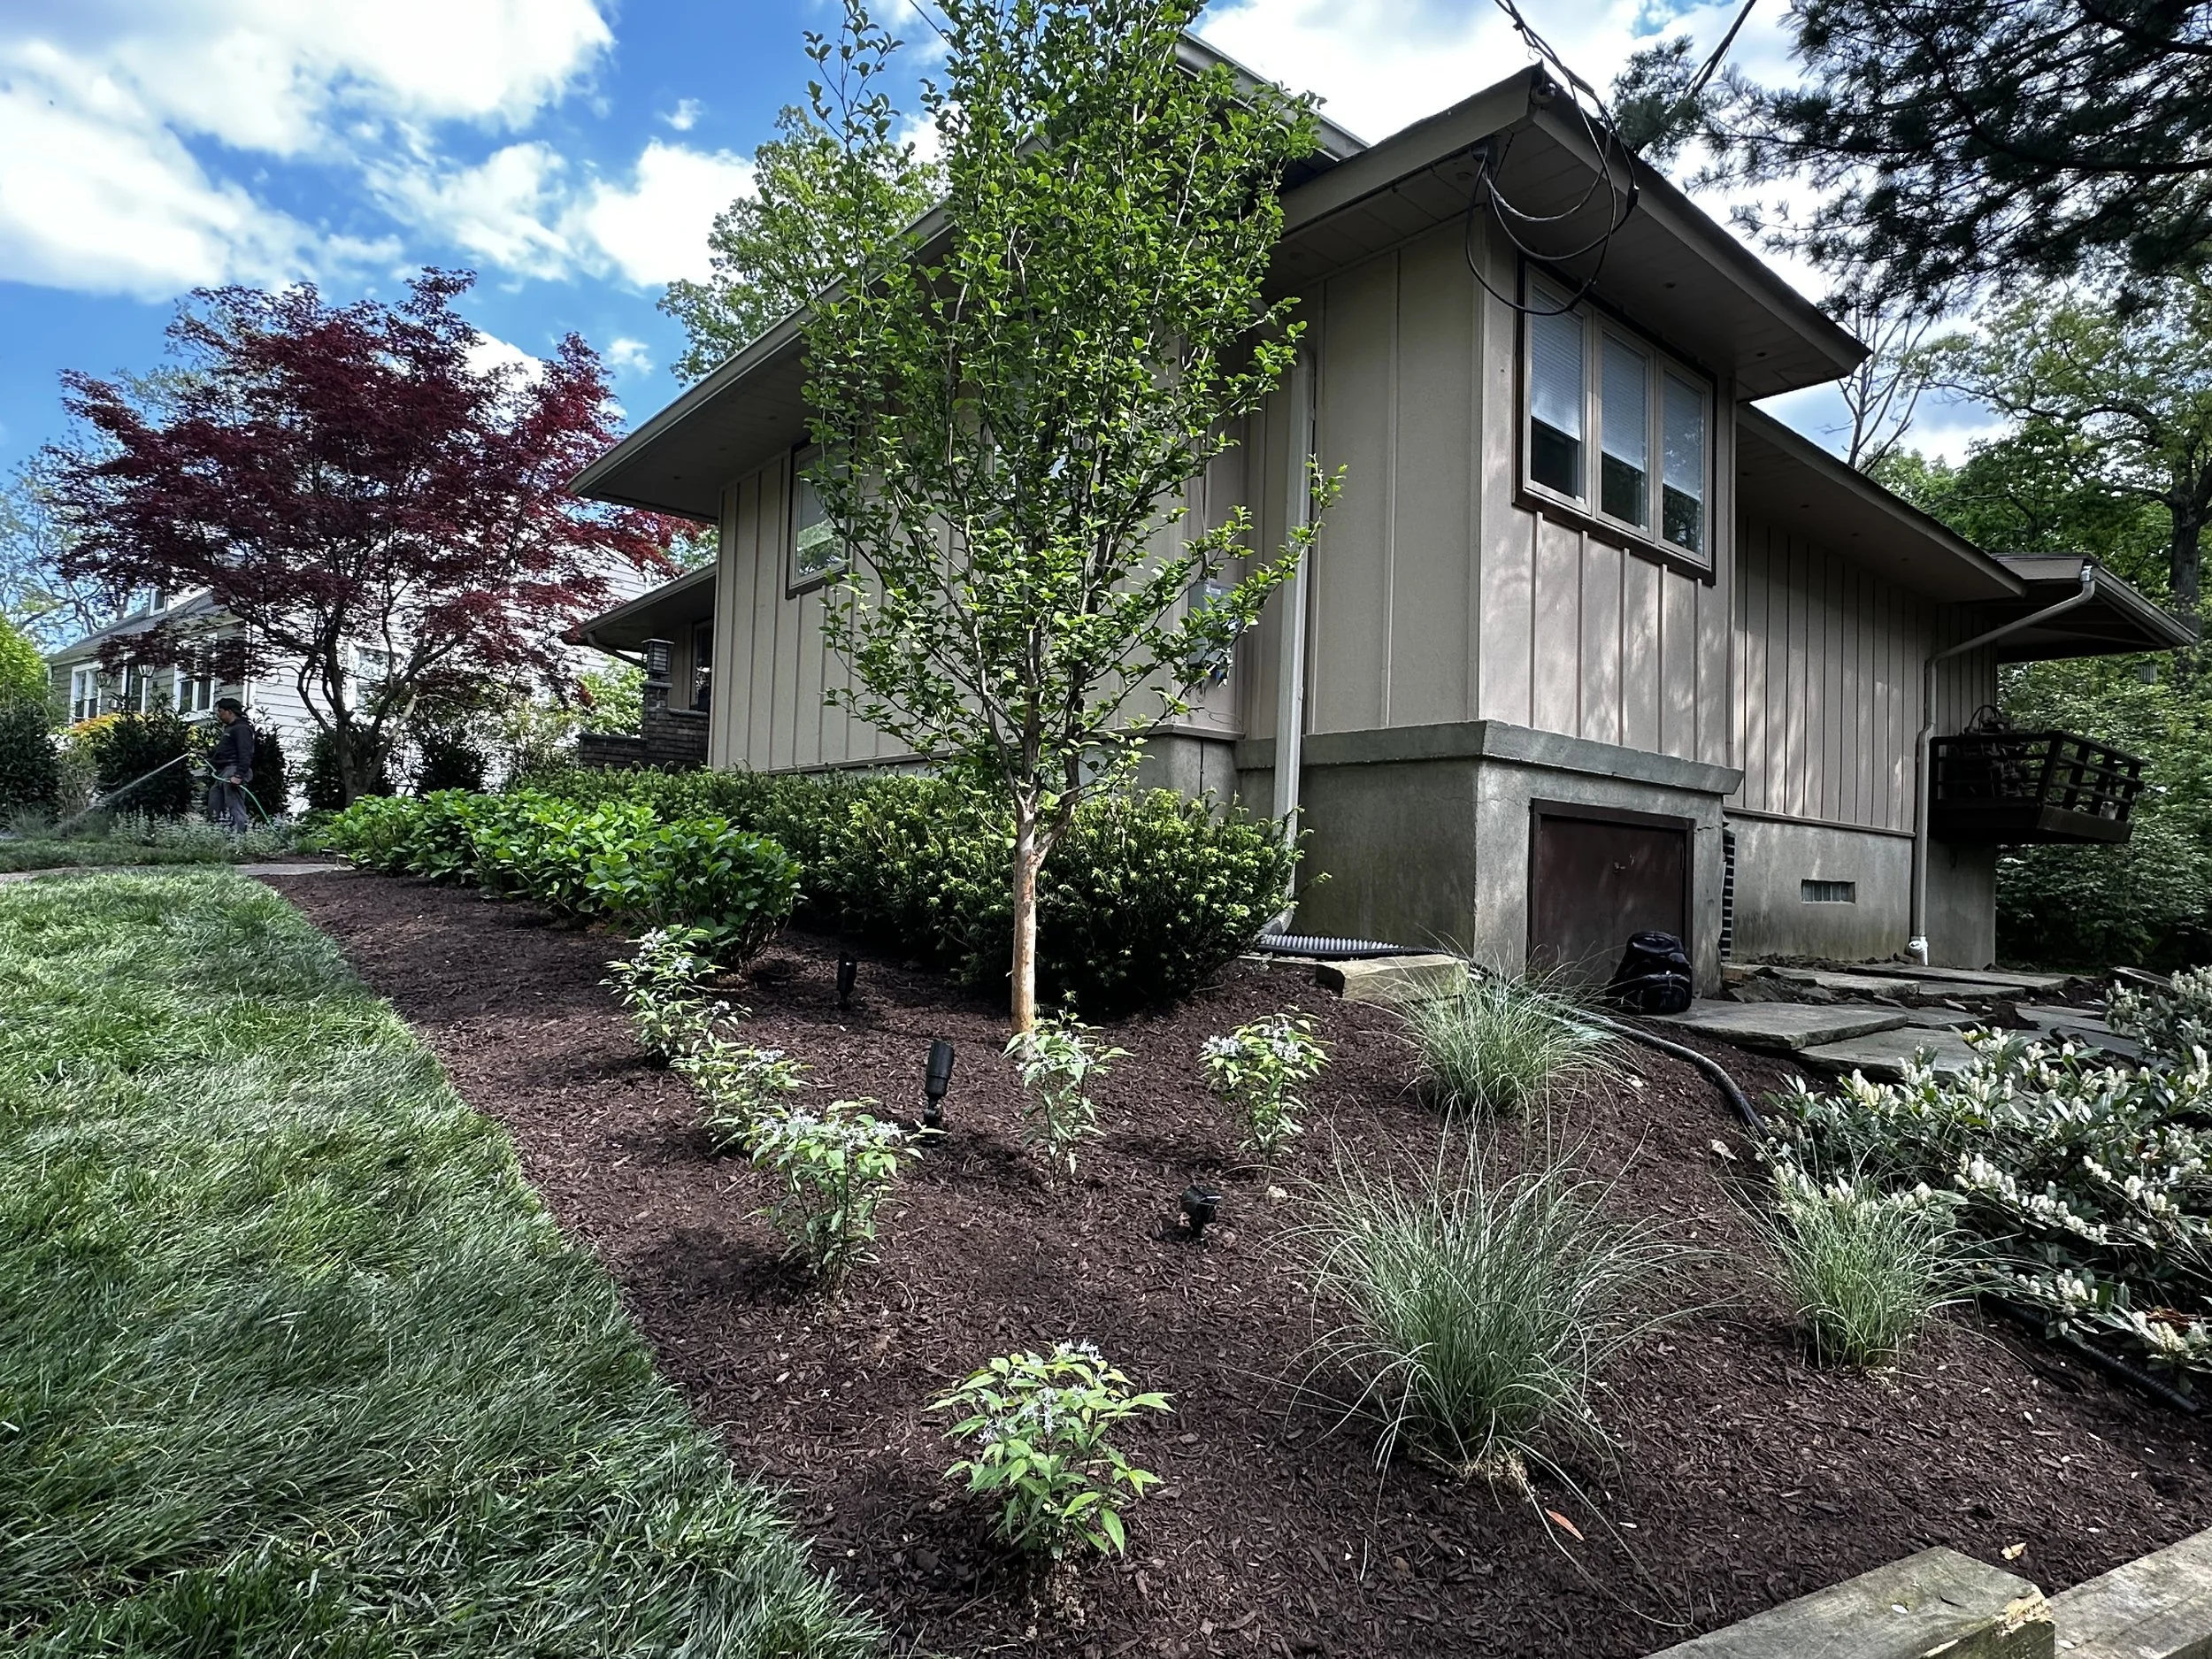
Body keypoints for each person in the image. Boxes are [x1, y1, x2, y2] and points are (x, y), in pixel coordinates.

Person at [208, 697, 256, 833]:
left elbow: (245, 753)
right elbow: (225, 750)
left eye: (220, 711)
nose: (219, 714)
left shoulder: (242, 728)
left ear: (229, 712)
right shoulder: (230, 729)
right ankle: (219, 838)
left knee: (234, 807)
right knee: (214, 804)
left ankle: (239, 841)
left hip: (233, 771)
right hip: (223, 772)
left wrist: (239, 775)